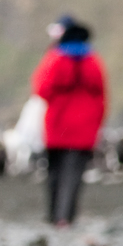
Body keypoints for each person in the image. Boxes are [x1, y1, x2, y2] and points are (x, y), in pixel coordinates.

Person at [33, 16, 107, 226]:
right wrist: (97, 122)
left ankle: (54, 215)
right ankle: (67, 216)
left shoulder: (55, 59)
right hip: (84, 130)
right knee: (74, 174)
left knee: (54, 172)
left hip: (57, 127)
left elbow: (41, 89)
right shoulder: (93, 61)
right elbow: (102, 96)